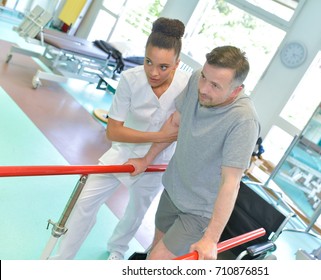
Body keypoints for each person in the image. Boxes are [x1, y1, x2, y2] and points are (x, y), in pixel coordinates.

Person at [49, 17, 190, 260]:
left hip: (157, 161)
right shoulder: (130, 79)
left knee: (136, 211)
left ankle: (117, 249)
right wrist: (158, 135)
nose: (154, 72)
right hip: (121, 153)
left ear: (177, 64)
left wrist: (151, 153)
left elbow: (178, 128)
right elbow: (113, 131)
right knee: (84, 204)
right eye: (148, 62)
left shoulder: (186, 85)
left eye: (164, 67)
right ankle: (63, 259)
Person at [126, 45, 261, 260]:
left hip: (199, 210)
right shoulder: (198, 79)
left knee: (155, 262)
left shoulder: (243, 121)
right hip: (173, 190)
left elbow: (231, 182)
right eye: (205, 78)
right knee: (155, 250)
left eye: (215, 85)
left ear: (236, 90)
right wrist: (146, 159)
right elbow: (175, 123)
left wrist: (211, 239)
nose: (204, 88)